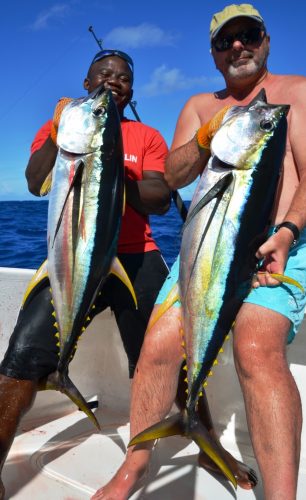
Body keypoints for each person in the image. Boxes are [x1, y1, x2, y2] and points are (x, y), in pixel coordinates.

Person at [97, 4, 306, 500]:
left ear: (266, 40)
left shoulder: (297, 95)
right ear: (213, 55)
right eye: (224, 41)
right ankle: (137, 463)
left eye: (248, 34)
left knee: (256, 346)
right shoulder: (198, 106)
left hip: (280, 246)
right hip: (206, 249)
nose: (238, 46)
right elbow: (172, 175)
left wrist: (288, 232)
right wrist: (206, 137)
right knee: (158, 345)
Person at [0, 50, 172, 499]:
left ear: (131, 91)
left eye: (122, 78)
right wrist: (61, 136)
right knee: (20, 359)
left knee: (164, 356)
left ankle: (180, 440)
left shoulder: (147, 135)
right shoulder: (66, 123)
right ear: (86, 80)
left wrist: (110, 161)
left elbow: (159, 198)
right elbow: (37, 181)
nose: (112, 81)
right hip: (68, 259)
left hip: (136, 258)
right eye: (104, 74)